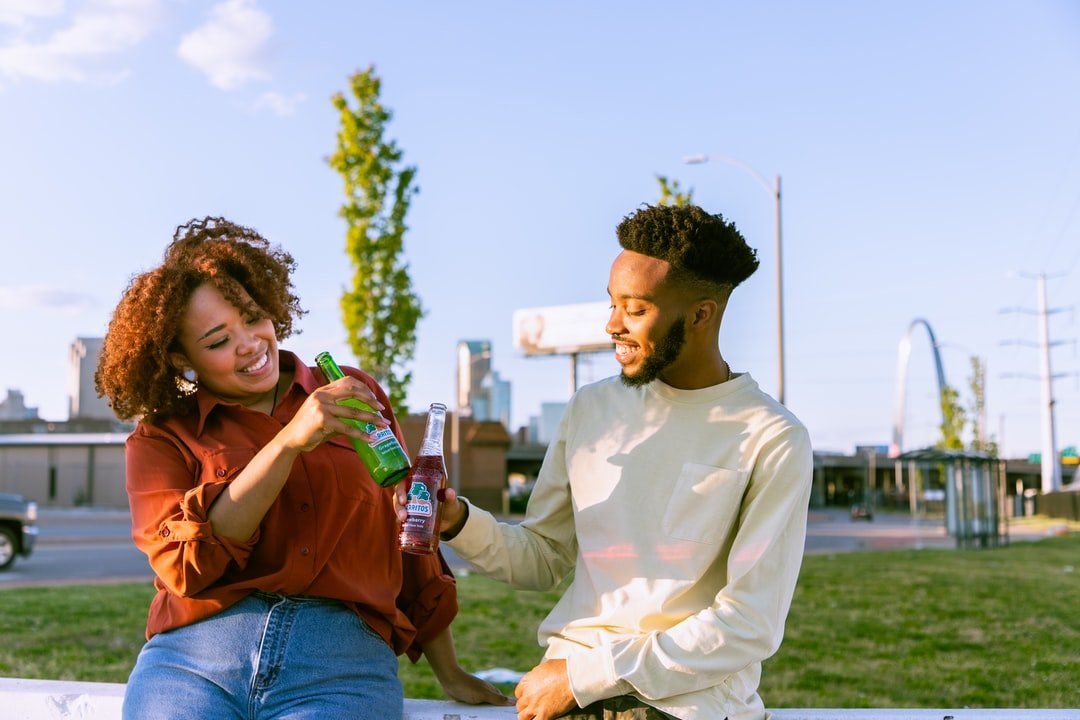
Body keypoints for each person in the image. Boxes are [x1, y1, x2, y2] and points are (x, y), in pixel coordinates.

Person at [403, 204, 813, 720]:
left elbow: (749, 623)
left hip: (682, 706)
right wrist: (458, 521)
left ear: (701, 314)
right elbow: (545, 556)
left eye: (635, 309)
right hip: (563, 694)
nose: (612, 325)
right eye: (611, 303)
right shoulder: (591, 409)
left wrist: (586, 676)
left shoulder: (771, 437)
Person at [96, 217, 510, 720]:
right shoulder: (160, 438)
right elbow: (185, 566)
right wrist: (289, 442)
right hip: (194, 660)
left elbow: (409, 532)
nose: (249, 343)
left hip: (341, 661)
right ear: (182, 358)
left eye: (252, 317)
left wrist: (450, 671)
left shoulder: (352, 392)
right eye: (218, 341)